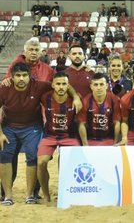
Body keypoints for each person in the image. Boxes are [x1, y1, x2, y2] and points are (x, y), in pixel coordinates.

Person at [0, 63, 81, 206]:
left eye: (24, 75)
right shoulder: (4, 88)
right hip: (9, 126)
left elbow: (62, 84)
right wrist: (0, 133)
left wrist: (75, 96)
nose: (21, 79)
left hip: (32, 127)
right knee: (5, 156)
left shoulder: (39, 85)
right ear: (11, 77)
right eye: (17, 76)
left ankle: (30, 195)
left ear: (29, 76)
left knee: (32, 156)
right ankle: (8, 195)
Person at [37, 71, 81, 202]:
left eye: (64, 84)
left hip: (69, 137)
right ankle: (46, 195)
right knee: (41, 162)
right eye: (58, 84)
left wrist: (76, 97)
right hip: (50, 136)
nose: (61, 87)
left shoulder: (75, 99)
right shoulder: (45, 97)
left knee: (69, 163)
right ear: (53, 85)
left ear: (68, 86)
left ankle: (65, 191)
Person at [77, 73, 121, 146]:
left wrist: (115, 143)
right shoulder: (85, 101)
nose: (99, 88)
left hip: (109, 139)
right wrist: (85, 144)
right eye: (96, 85)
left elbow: (117, 123)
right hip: (91, 140)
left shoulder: (114, 100)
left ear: (106, 86)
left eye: (101, 84)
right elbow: (82, 124)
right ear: (91, 86)